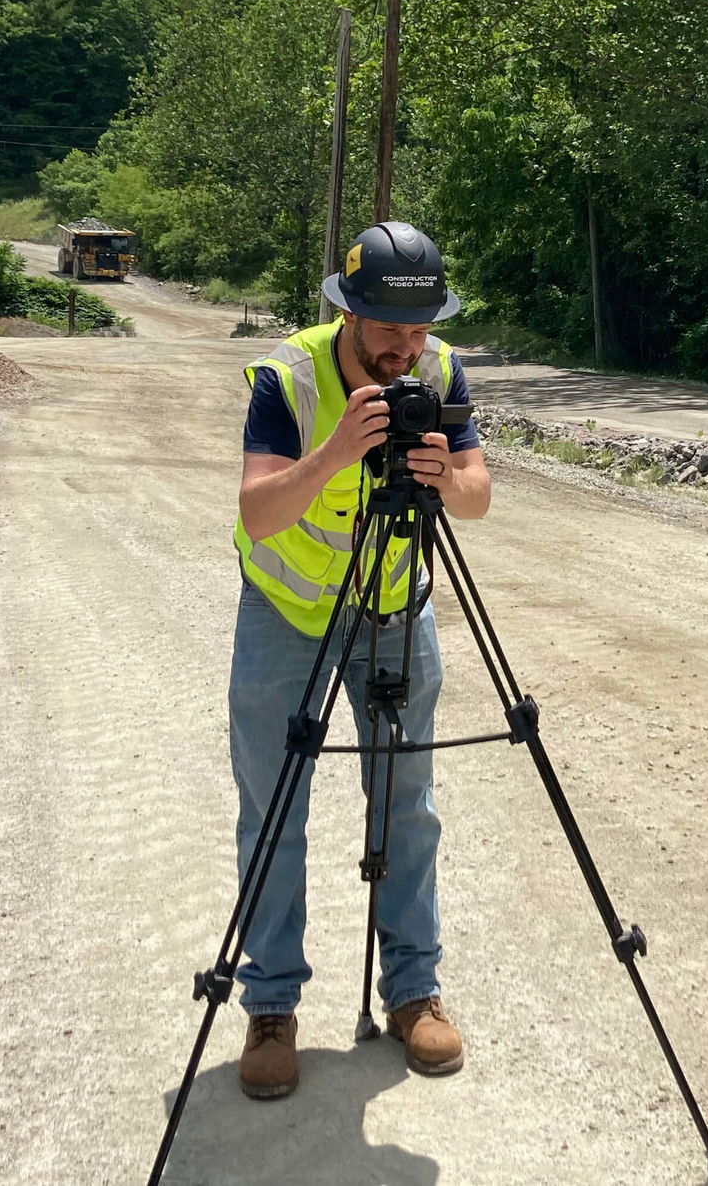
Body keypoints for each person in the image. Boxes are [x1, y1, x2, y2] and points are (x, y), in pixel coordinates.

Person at [227, 221, 491, 1099]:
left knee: (406, 801)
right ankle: (271, 1004)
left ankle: (414, 991)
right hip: (286, 612)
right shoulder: (290, 378)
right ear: (347, 315)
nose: (406, 351)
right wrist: (338, 450)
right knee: (275, 807)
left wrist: (446, 477)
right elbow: (259, 511)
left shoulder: (439, 371)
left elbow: (478, 495)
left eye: (420, 331)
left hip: (392, 606)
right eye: (388, 332)